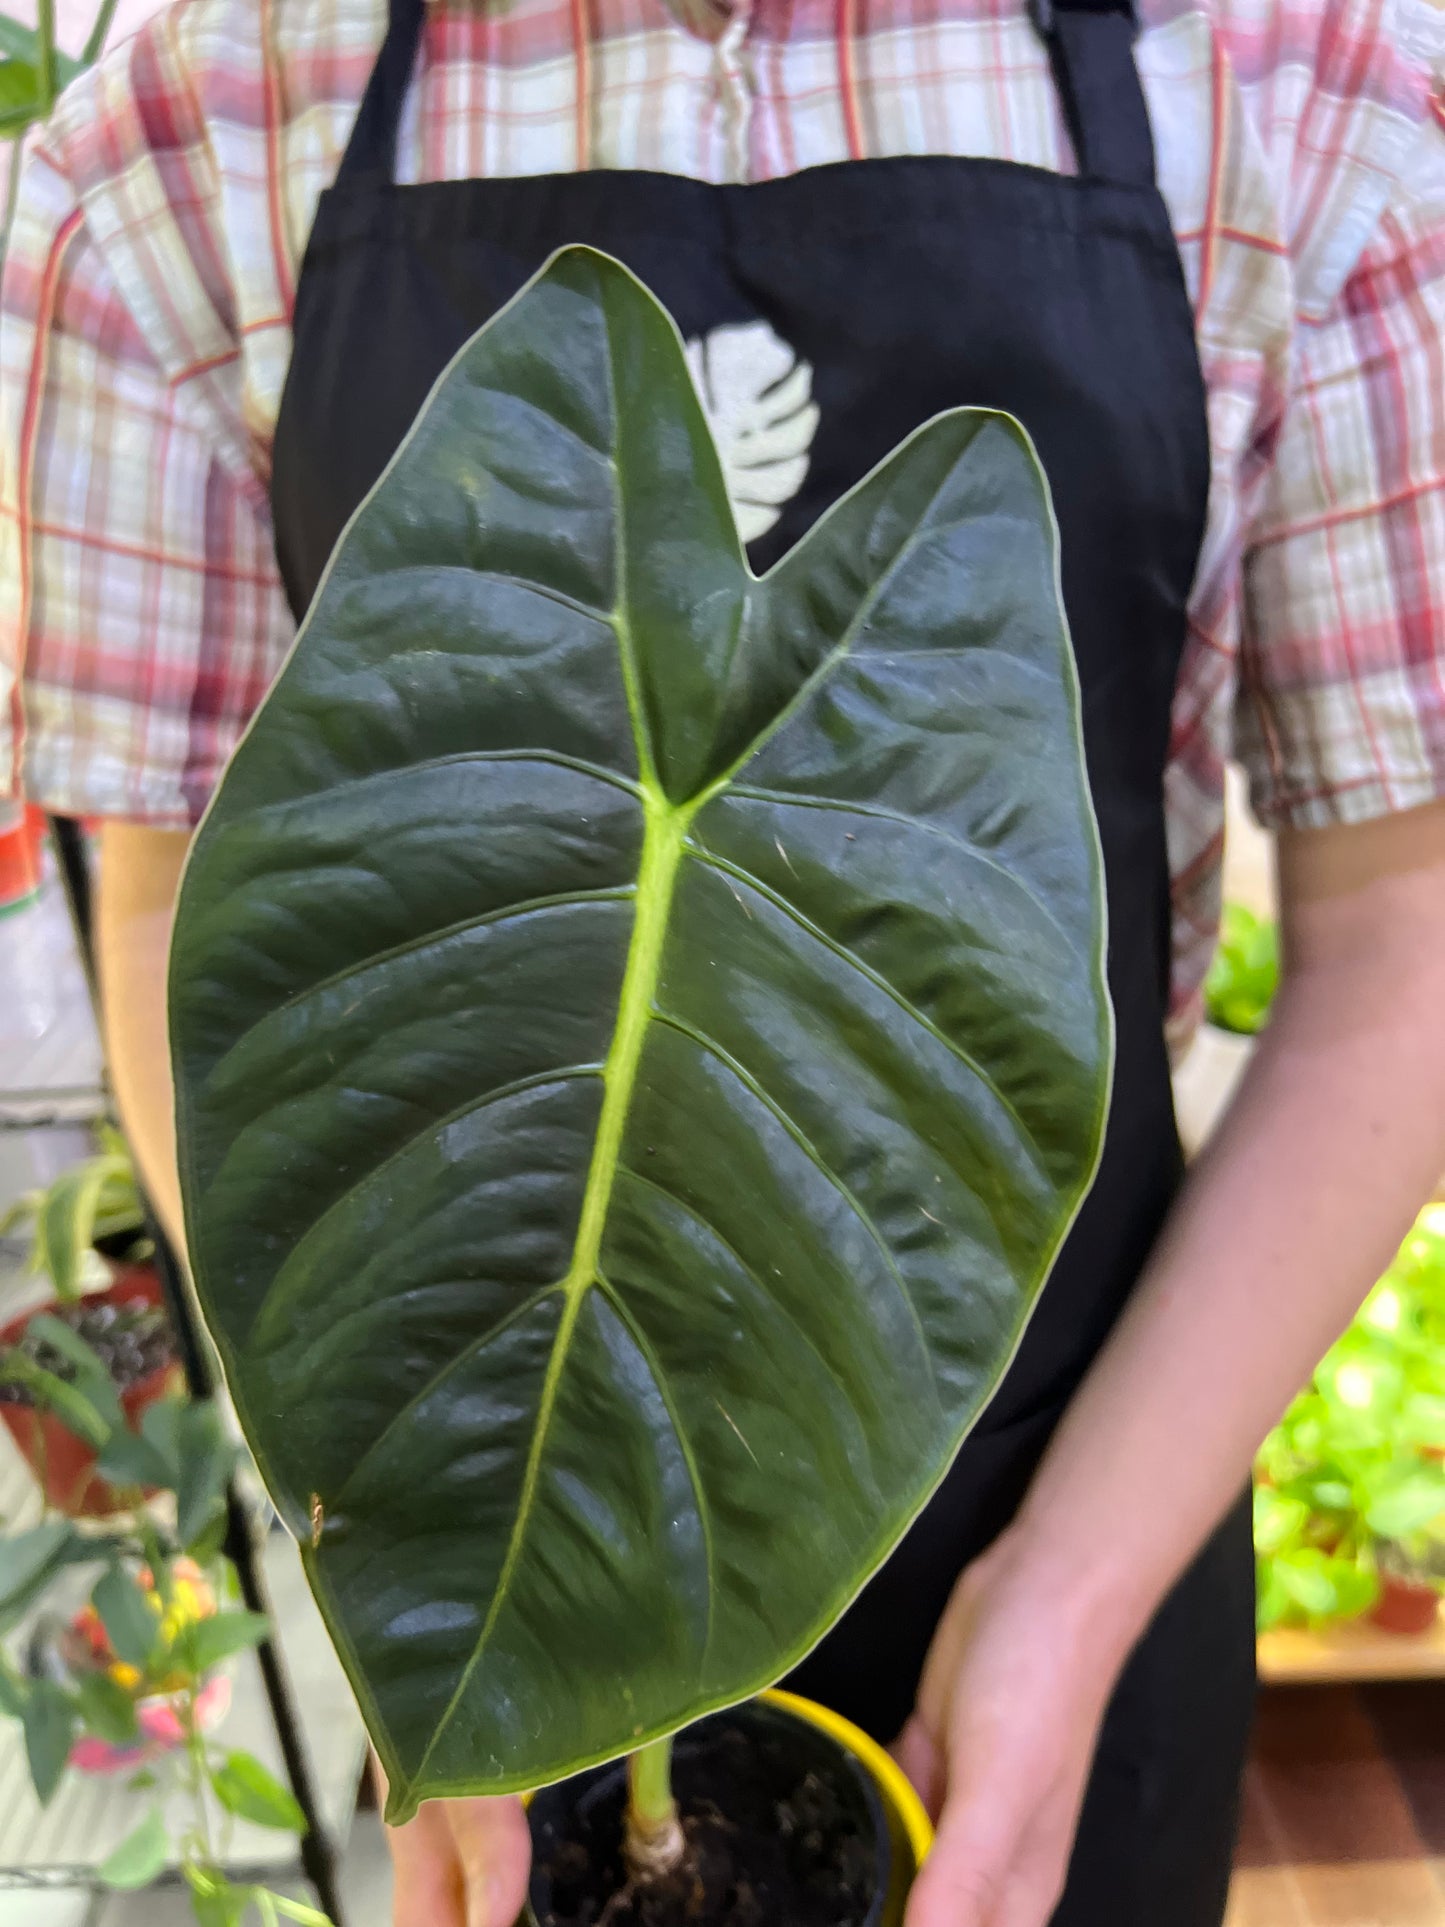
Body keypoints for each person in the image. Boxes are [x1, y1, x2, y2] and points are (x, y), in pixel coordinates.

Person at [3, 0, 1445, 1918]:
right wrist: (408, 1547)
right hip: (488, 1450)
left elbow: (1401, 941)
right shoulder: (185, 142)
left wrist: (1068, 1598)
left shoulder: (1302, 99)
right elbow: (196, 922)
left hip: (1063, 1466)